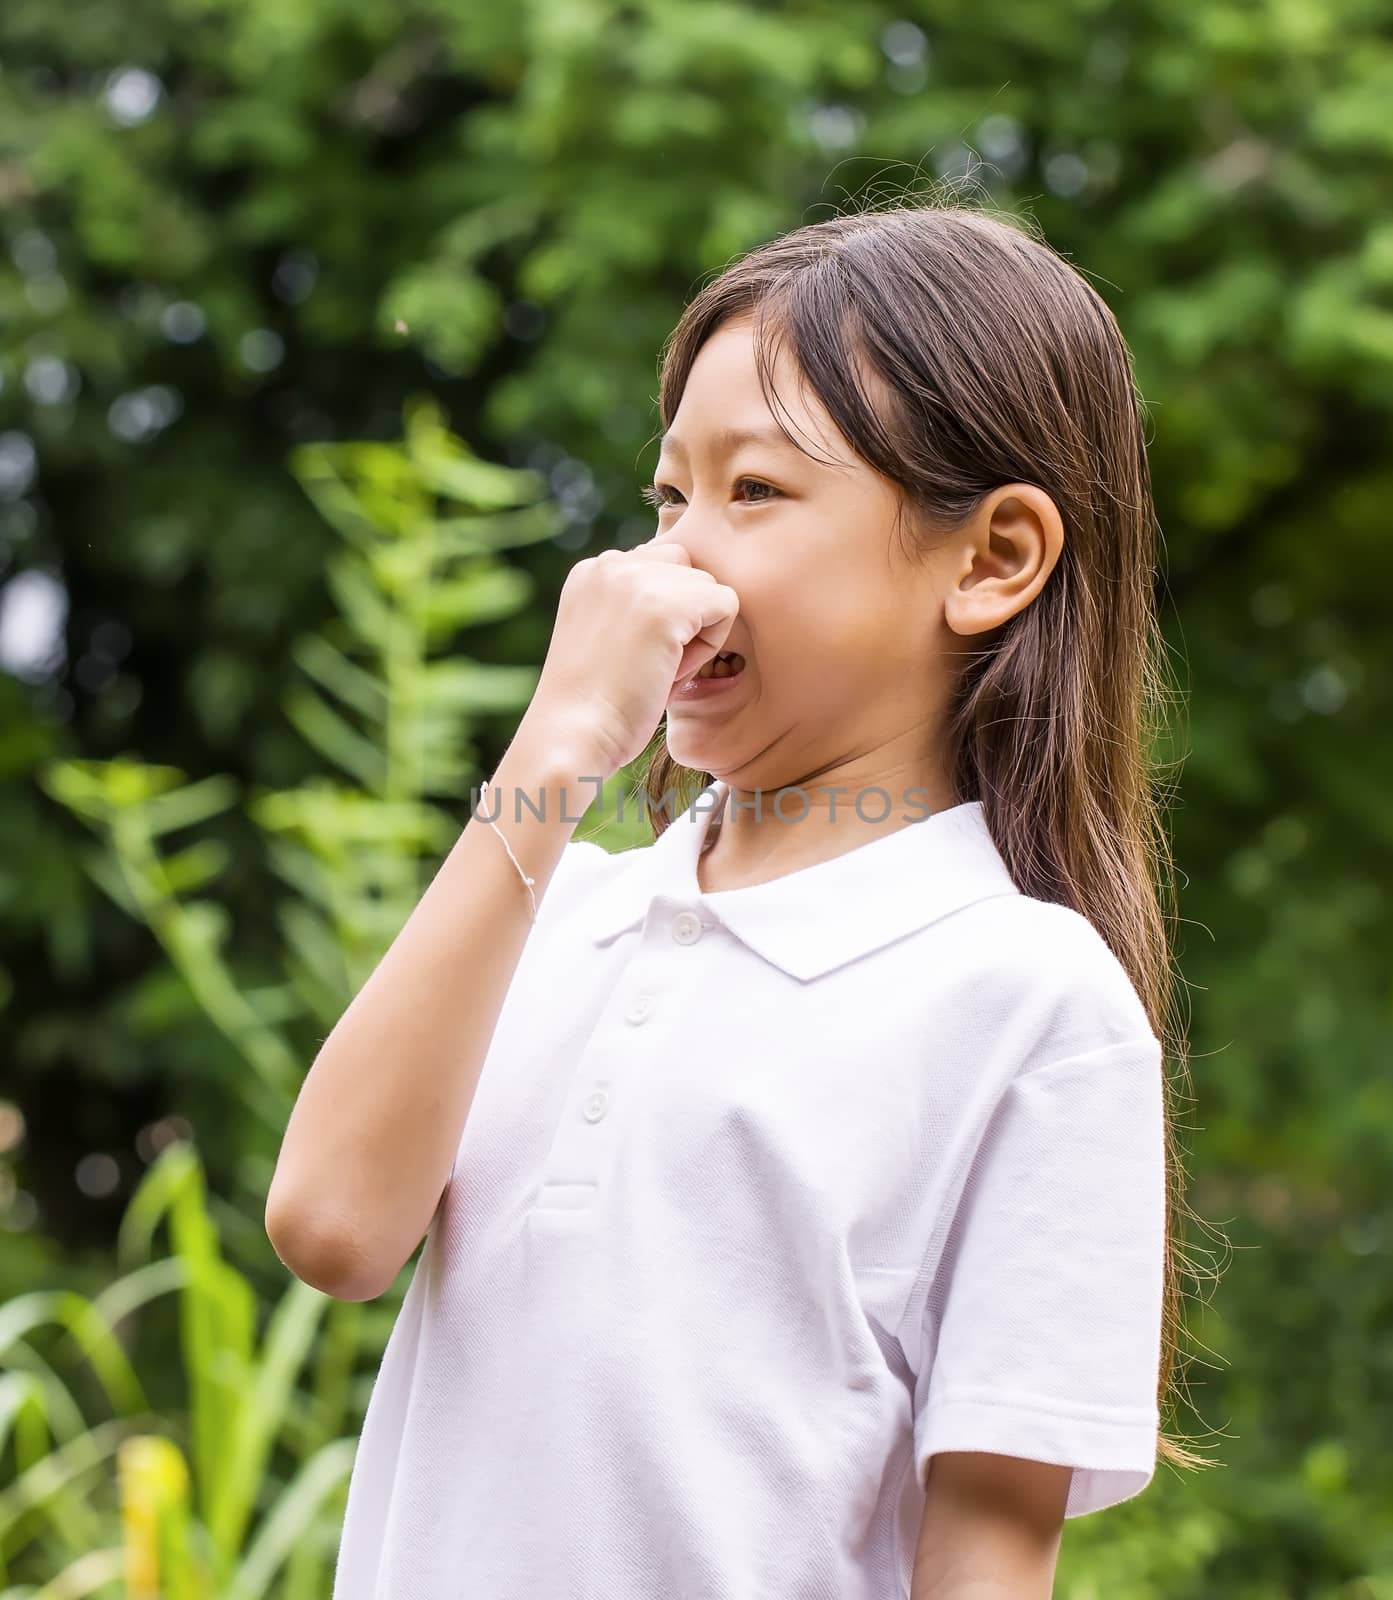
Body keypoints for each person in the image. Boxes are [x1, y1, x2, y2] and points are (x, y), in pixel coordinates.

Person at [266, 198, 1208, 1600]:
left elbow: (992, 1550)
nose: (672, 561)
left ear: (991, 558)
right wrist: (552, 756)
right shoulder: (552, 914)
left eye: (753, 493)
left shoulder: (1026, 1001)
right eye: (666, 498)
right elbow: (333, 1225)